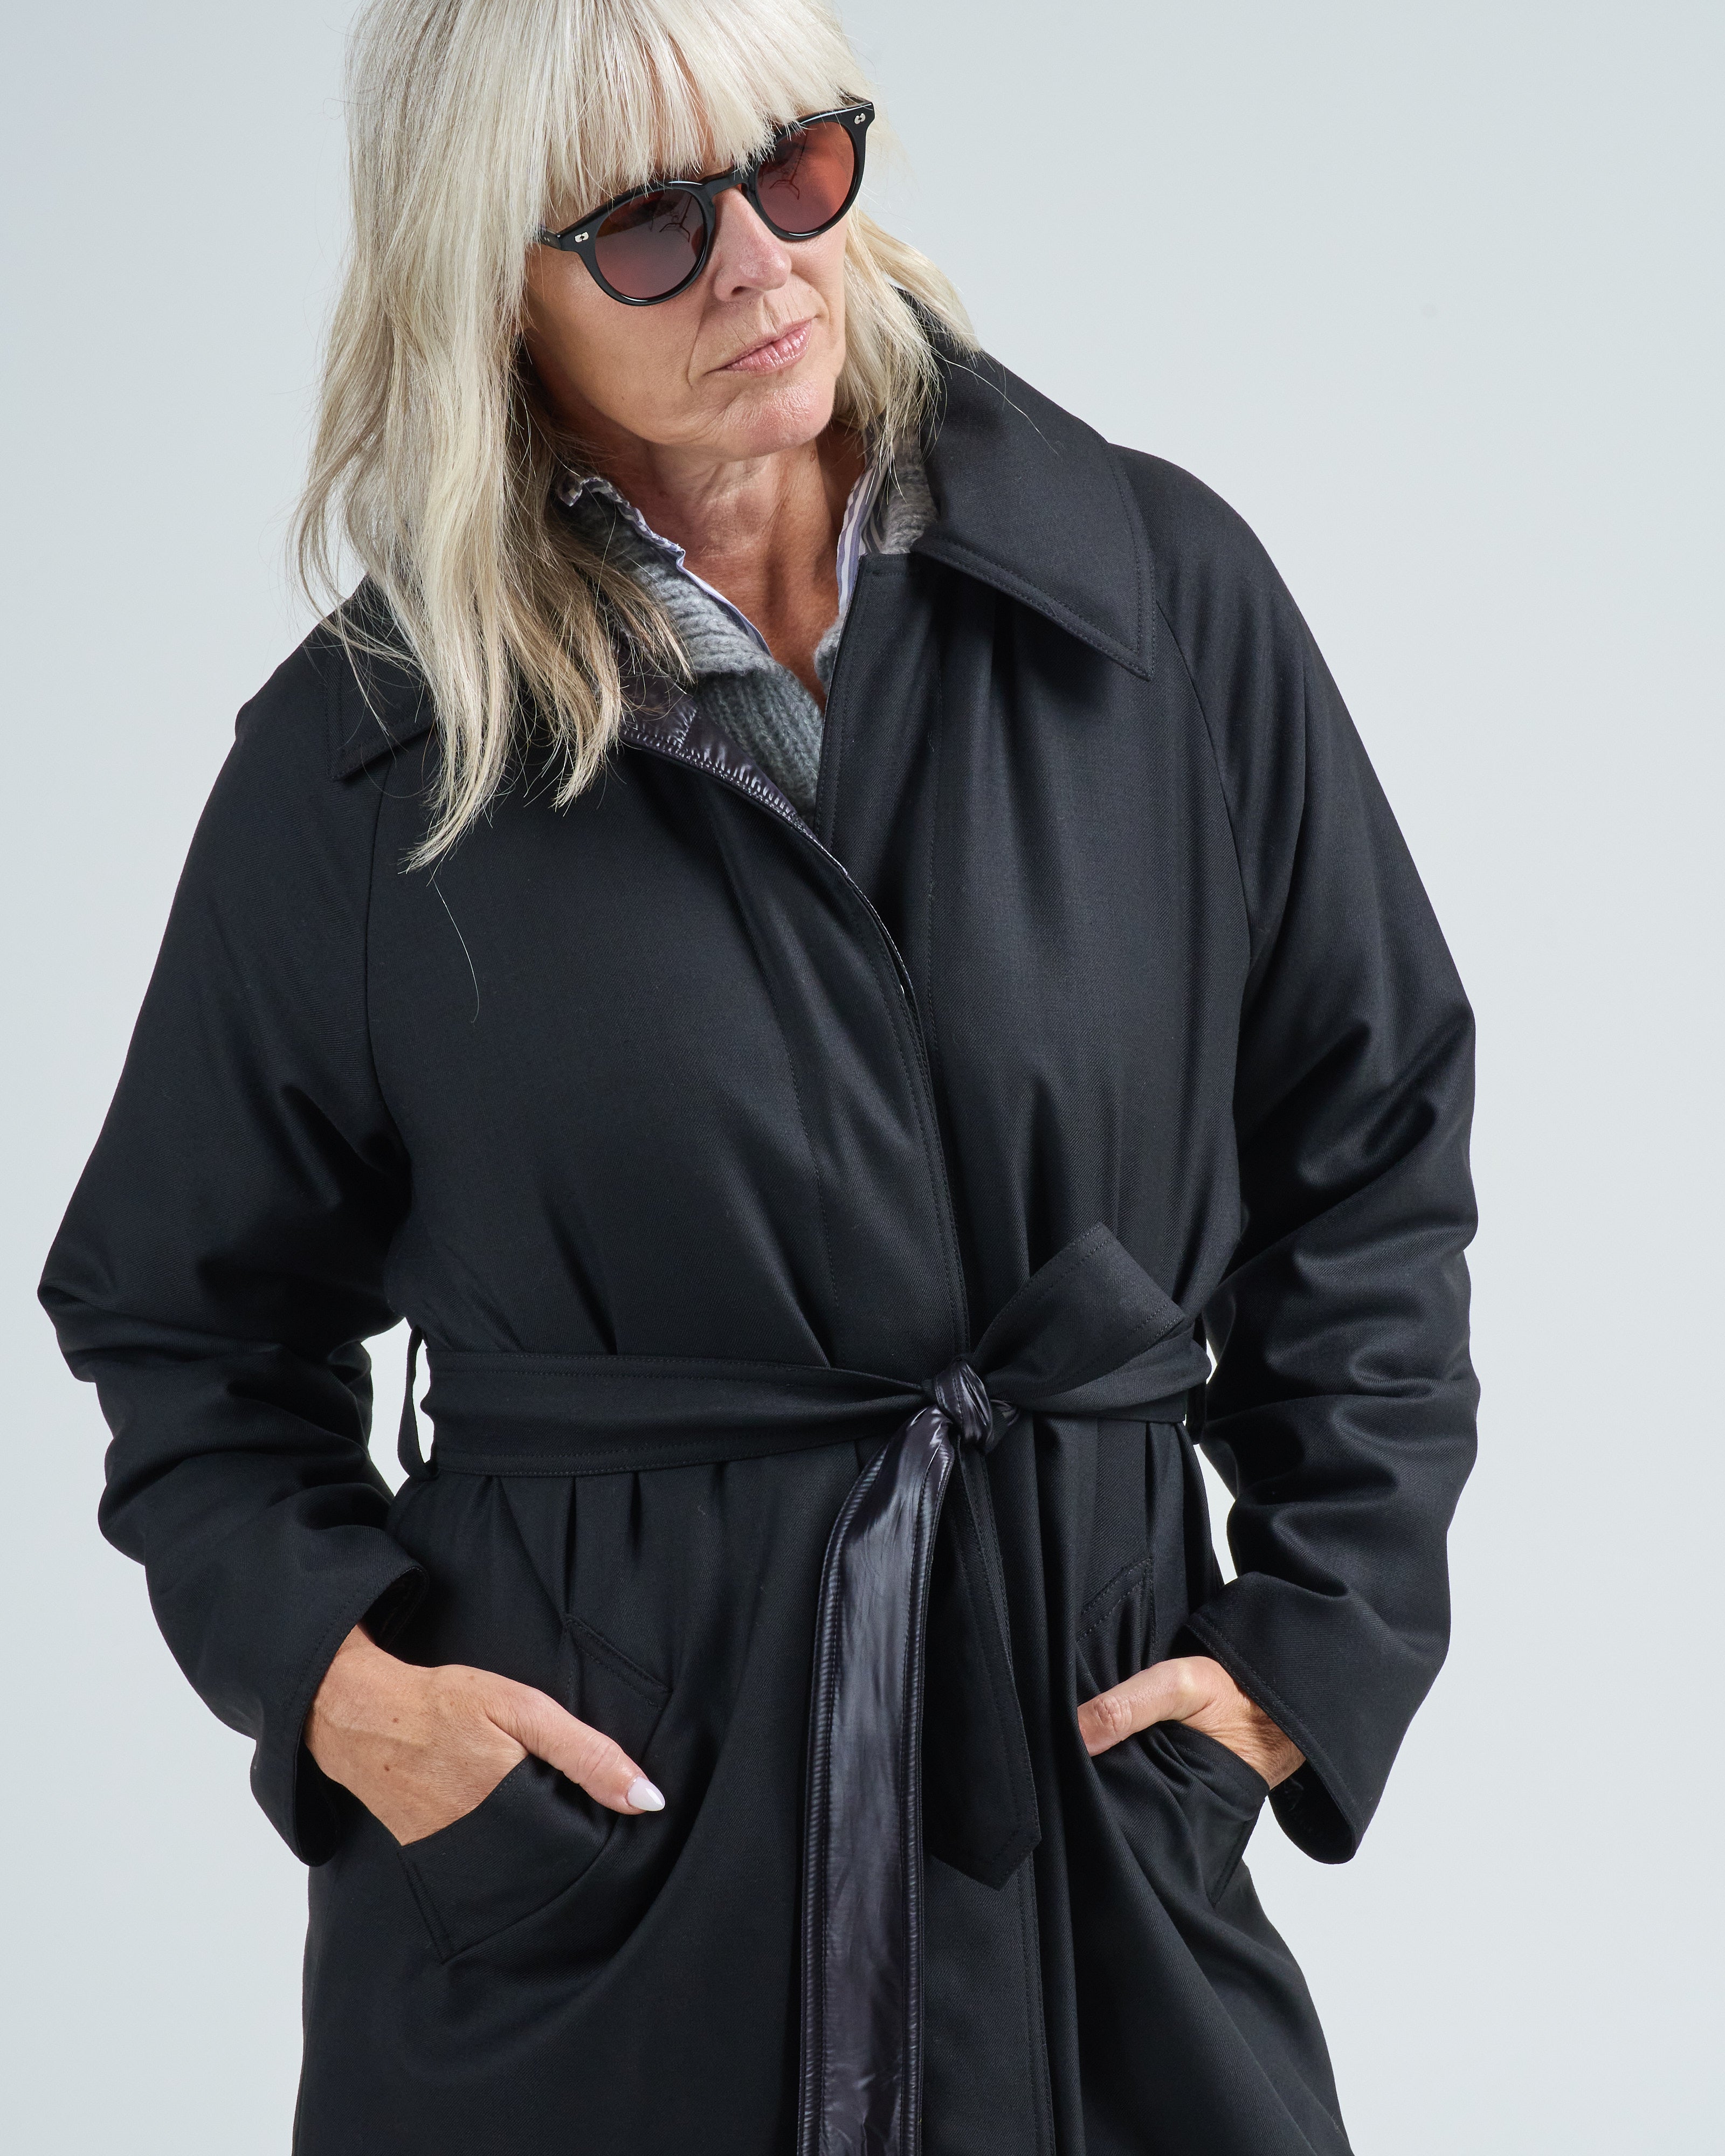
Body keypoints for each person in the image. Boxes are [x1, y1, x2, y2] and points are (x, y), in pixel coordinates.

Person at [39, 2, 1478, 2152]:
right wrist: (354, 1696)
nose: (759, 263)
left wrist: (1305, 1653)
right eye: (646, 224)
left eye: (796, 164)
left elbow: (1369, 1146)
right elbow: (180, 1317)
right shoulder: (368, 761)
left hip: (1086, 1826)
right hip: (595, 1900)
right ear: (487, 286)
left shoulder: (1154, 608)